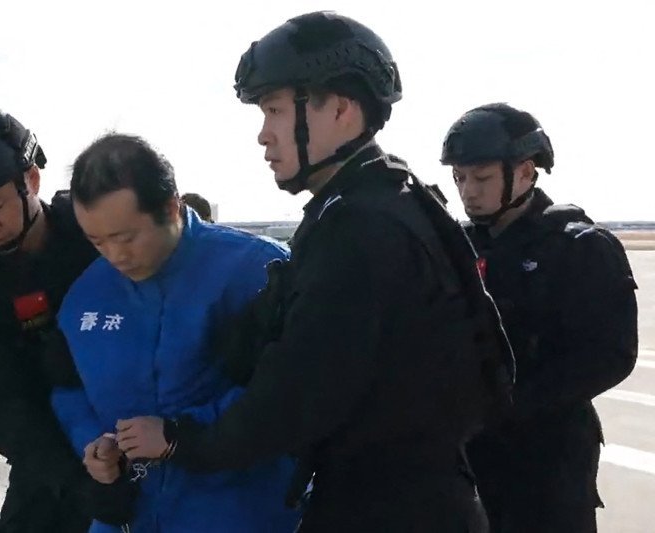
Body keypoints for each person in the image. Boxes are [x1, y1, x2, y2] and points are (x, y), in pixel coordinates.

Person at [116, 11, 514, 532]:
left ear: (341, 110)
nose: (264, 136)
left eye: (275, 111)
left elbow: (296, 395)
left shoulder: (359, 228)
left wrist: (177, 440)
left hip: (386, 509)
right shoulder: (381, 199)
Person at [50, 133, 299, 532]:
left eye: (126, 238)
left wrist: (182, 436)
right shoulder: (85, 295)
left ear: (171, 207)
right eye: (98, 242)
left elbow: (292, 388)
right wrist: (93, 443)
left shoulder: (256, 272)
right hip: (131, 512)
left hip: (234, 508)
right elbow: (67, 387)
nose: (116, 256)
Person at [0, 108, 135, 532]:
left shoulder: (98, 237)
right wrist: (76, 480)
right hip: (51, 459)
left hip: (147, 434)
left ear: (32, 180)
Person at [440, 102, 638, 532]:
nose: (468, 191)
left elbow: (610, 355)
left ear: (526, 173)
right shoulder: (457, 247)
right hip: (471, 458)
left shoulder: (578, 248)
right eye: (459, 178)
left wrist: (512, 403)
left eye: (482, 178)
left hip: (547, 462)